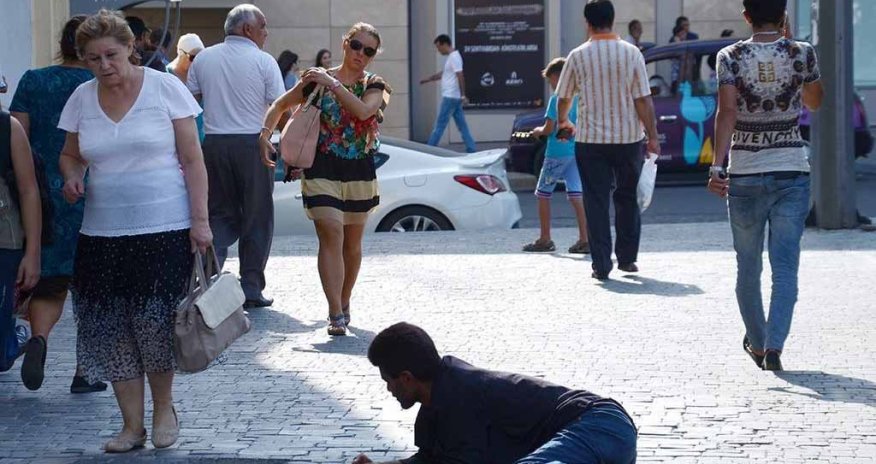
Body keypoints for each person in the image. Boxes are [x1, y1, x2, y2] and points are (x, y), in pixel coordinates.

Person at [58, 9, 211, 452]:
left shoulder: (165, 88)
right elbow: (70, 155)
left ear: (131, 48)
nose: (103, 65)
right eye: (91, 58)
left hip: (164, 227)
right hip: (101, 234)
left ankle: (163, 409)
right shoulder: (82, 99)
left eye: (110, 54)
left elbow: (193, 160)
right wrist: (72, 175)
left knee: (155, 325)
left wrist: (200, 222)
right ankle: (131, 426)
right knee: (111, 327)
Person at [708, 0, 822, 371]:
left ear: (746, 16)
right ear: (785, 14)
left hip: (744, 171)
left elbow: (727, 113)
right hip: (791, 169)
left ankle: (757, 344)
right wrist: (792, 68)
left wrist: (716, 167)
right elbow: (815, 102)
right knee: (786, 267)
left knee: (747, 266)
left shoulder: (729, 56)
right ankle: (775, 345)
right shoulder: (802, 52)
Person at [260, 22, 391, 336]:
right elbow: (280, 104)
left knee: (352, 244)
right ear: (346, 43)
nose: (361, 54)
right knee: (331, 233)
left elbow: (362, 112)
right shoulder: (316, 80)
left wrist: (331, 83)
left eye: (369, 51)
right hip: (321, 167)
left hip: (359, 168)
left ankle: (345, 301)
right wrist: (265, 134)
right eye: (357, 45)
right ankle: (334, 311)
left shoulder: (376, 84)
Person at [353, 322, 637, 464]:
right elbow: (431, 460)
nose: (388, 389)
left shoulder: (459, 393)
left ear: (406, 378)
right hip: (595, 434)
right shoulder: (436, 404)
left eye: (387, 381)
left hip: (598, 423)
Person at [8, 14, 107, 393]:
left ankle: (40, 338)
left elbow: (17, 134)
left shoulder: (34, 80)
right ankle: (86, 370)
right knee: (93, 286)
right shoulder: (99, 84)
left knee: (49, 281)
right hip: (92, 191)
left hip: (42, 194)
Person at [187, 3, 284, 309]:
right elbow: (279, 107)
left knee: (217, 213)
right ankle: (251, 287)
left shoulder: (203, 58)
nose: (266, 33)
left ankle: (207, 280)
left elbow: (190, 101)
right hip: (254, 143)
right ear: (247, 29)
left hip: (213, 144)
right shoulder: (264, 61)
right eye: (263, 26)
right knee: (258, 216)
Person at [555, 0, 660, 281]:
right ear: (613, 20)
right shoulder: (632, 53)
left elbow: (564, 96)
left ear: (587, 23)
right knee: (627, 199)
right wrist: (652, 136)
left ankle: (601, 264)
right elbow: (643, 99)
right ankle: (627, 259)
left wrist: (564, 120)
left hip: (591, 141)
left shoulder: (578, 55)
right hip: (628, 140)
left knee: (596, 201)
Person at [522, 58, 589, 255]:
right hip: (576, 150)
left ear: (560, 77)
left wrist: (538, 131)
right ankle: (585, 238)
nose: (551, 85)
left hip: (556, 153)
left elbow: (549, 128)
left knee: (543, 194)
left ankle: (545, 238)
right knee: (576, 194)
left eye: (552, 79)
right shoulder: (580, 97)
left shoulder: (558, 98)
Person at [0, 111, 41, 374]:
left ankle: (10, 341)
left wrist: (32, 253)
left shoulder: (7, 127)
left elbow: (29, 190)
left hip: (4, 240)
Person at [422, 34, 476, 153]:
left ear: (445, 44)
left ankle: (428, 150)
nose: (438, 50)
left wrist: (463, 95)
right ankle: (471, 149)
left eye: (438, 47)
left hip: (450, 97)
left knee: (439, 126)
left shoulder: (454, 57)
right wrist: (429, 79)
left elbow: (460, 76)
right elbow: (444, 74)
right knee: (462, 126)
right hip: (454, 98)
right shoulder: (452, 58)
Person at [167, 33, 206, 143]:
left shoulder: (202, 75)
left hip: (201, 139)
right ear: (181, 53)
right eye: (193, 57)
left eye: (201, 56)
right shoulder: (166, 76)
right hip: (176, 139)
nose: (197, 61)